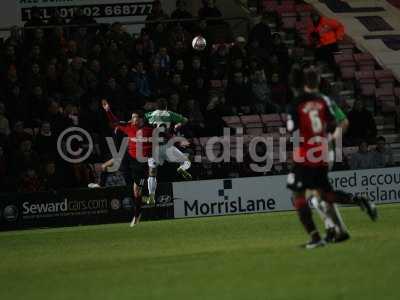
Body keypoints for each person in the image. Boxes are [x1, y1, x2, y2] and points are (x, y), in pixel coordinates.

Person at [287, 68, 376, 249]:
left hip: (316, 154)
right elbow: (340, 123)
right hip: (321, 152)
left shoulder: (304, 102)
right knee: (319, 195)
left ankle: (327, 232)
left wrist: (332, 139)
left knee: (313, 197)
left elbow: (342, 122)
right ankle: (340, 228)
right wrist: (331, 136)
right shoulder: (324, 101)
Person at [102, 99, 153, 227]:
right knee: (135, 190)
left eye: (135, 117)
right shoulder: (128, 128)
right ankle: (141, 206)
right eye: (132, 118)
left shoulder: (149, 130)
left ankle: (137, 215)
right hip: (131, 162)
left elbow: (163, 135)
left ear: (141, 119)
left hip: (143, 164)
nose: (133, 120)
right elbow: (114, 122)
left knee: (137, 190)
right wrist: (108, 110)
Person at [143, 98, 192, 205]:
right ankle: (181, 168)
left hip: (153, 147)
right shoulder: (169, 114)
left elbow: (139, 122)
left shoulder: (149, 114)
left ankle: (151, 196)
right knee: (186, 161)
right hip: (166, 146)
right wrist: (178, 124)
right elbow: (185, 120)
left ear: (156, 106)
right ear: (165, 107)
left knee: (152, 173)